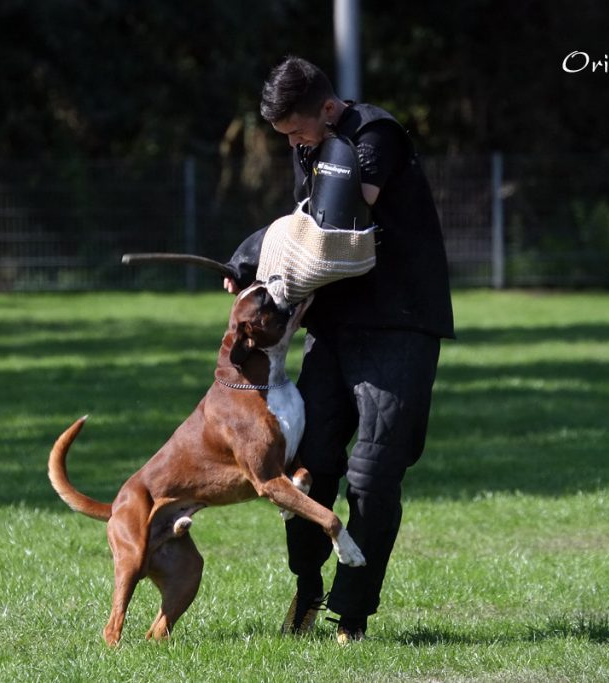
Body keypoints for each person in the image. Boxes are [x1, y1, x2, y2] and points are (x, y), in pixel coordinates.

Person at [223, 55, 454, 644]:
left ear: (327, 108)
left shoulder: (375, 135)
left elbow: (338, 220)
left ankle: (351, 614)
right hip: (336, 328)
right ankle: (307, 585)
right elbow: (304, 220)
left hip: (399, 326)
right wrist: (251, 258)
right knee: (309, 466)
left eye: (299, 131)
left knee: (373, 473)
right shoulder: (312, 142)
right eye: (288, 138)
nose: (296, 144)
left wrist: (261, 243)